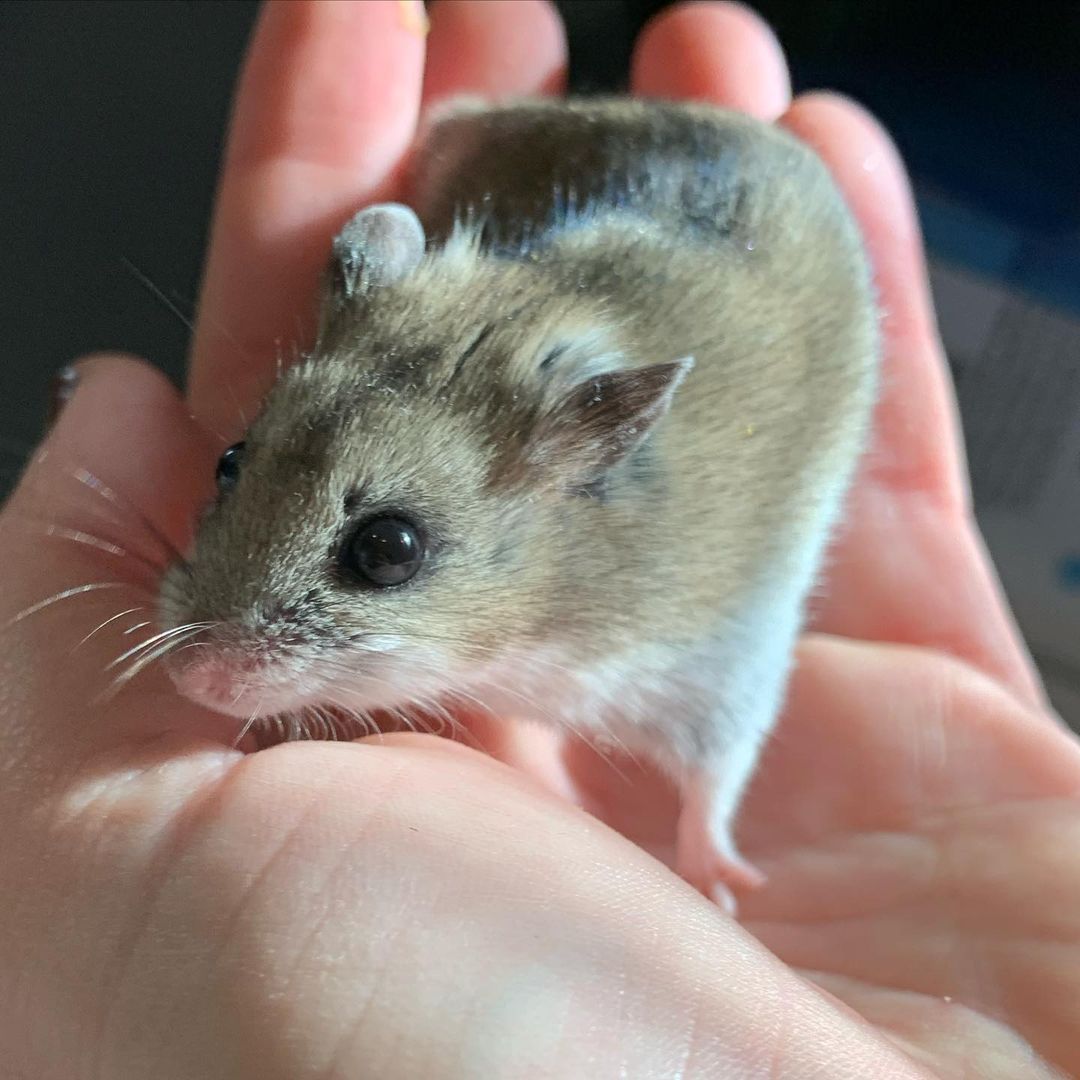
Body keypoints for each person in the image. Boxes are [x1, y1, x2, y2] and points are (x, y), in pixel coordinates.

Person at [2, 2, 1077, 1076]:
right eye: (236, 473)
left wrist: (711, 827)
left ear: (583, 455)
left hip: (761, 248)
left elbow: (732, 681)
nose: (207, 661)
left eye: (383, 554)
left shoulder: (656, 595)